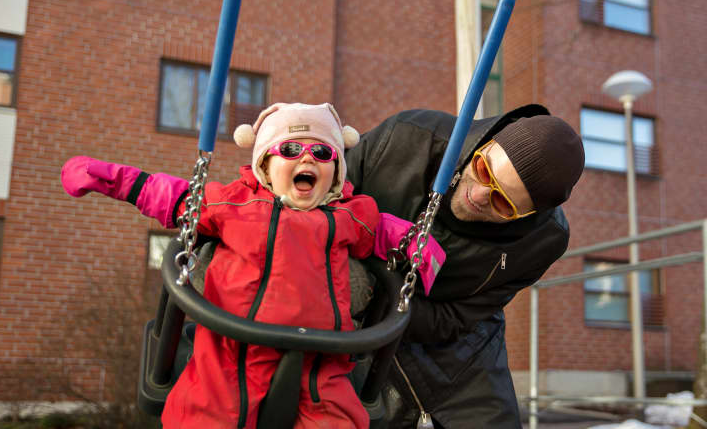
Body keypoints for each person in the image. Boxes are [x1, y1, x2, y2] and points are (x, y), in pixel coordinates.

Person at [60, 103, 444, 429]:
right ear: (264, 163)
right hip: (233, 349)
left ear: (336, 170)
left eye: (323, 153)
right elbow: (176, 198)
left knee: (340, 420)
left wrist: (424, 252)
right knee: (203, 416)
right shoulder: (236, 203)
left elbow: (387, 233)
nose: (307, 158)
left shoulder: (352, 213)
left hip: (322, 359)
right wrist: (111, 179)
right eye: (290, 149)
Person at [345, 103, 585, 428]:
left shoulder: (543, 240)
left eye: (502, 202)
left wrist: (383, 304)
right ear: (487, 142)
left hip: (460, 346)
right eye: (484, 170)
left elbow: (457, 317)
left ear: (529, 215)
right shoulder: (407, 139)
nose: (478, 194)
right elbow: (319, 201)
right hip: (353, 324)